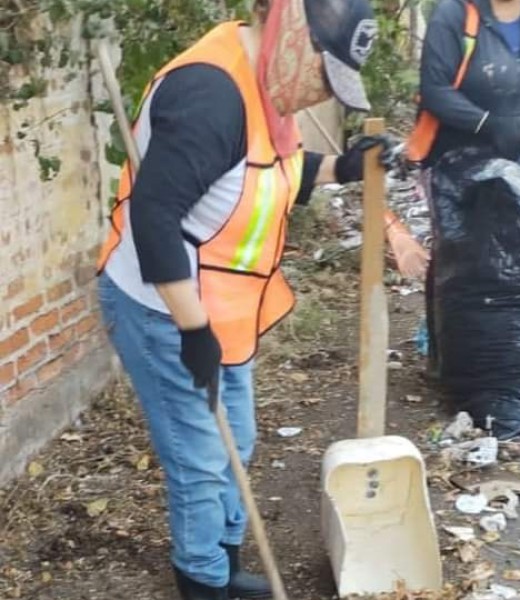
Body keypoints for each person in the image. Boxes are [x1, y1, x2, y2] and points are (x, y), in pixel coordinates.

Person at [95, 0, 389, 598]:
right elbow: (155, 217)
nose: (316, 95)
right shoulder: (211, 94)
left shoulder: (265, 90)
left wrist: (342, 168)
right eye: (321, 74)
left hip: (225, 308)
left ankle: (223, 559)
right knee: (200, 458)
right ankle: (202, 580)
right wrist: (194, 332)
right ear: (290, 33)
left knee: (239, 438)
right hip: (164, 309)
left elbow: (269, 172)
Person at [405, 0, 520, 375]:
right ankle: (458, 359)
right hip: (460, 158)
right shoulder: (455, 14)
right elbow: (434, 88)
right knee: (465, 259)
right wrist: (486, 123)